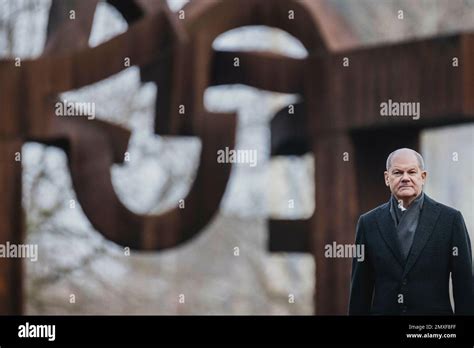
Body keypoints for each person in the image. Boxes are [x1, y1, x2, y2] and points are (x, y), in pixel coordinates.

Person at [349, 148, 473, 315]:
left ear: (423, 177)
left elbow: (464, 287)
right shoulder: (368, 223)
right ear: (387, 178)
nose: (405, 178)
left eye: (412, 172)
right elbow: (360, 291)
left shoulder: (450, 220)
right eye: (398, 172)